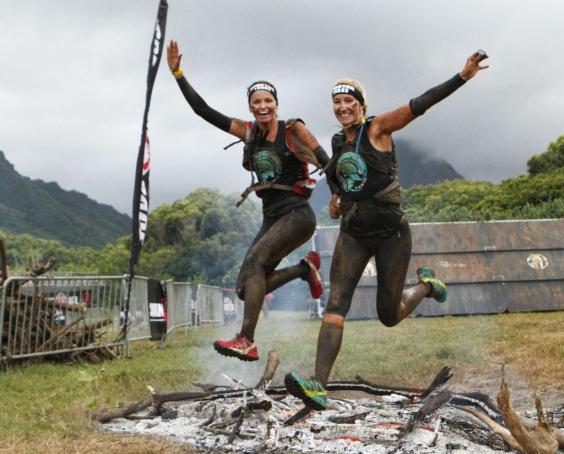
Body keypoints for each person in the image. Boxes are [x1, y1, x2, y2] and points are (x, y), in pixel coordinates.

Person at [284, 51, 489, 411]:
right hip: (354, 233)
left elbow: (419, 105)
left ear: (361, 106)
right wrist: (336, 200)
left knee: (389, 315)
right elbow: (340, 178)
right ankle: (318, 384)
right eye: (337, 102)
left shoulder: (378, 129)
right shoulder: (336, 144)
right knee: (337, 303)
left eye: (349, 101)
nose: (342, 107)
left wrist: (462, 76)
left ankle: (426, 285)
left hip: (392, 234)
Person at [166, 40, 329, 362]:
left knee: (255, 265)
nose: (262, 105)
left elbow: (328, 162)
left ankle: (246, 340)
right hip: (271, 216)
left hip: (297, 214)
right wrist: (178, 74)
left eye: (268, 100)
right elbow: (203, 111)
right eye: (256, 101)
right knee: (244, 289)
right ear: (251, 106)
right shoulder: (249, 132)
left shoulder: (294, 130)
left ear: (276, 104)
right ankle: (302, 268)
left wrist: (343, 196)